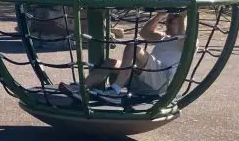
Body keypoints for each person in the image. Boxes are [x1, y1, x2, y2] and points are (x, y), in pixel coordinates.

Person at [62, 11, 190, 100]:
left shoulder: (191, 41)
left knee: (132, 47)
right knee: (111, 63)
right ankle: (81, 88)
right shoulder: (163, 37)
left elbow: (184, 44)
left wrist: (182, 19)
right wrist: (159, 16)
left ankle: (115, 91)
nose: (167, 24)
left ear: (181, 24)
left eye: (171, 22)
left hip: (161, 81)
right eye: (167, 21)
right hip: (144, 79)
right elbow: (144, 32)